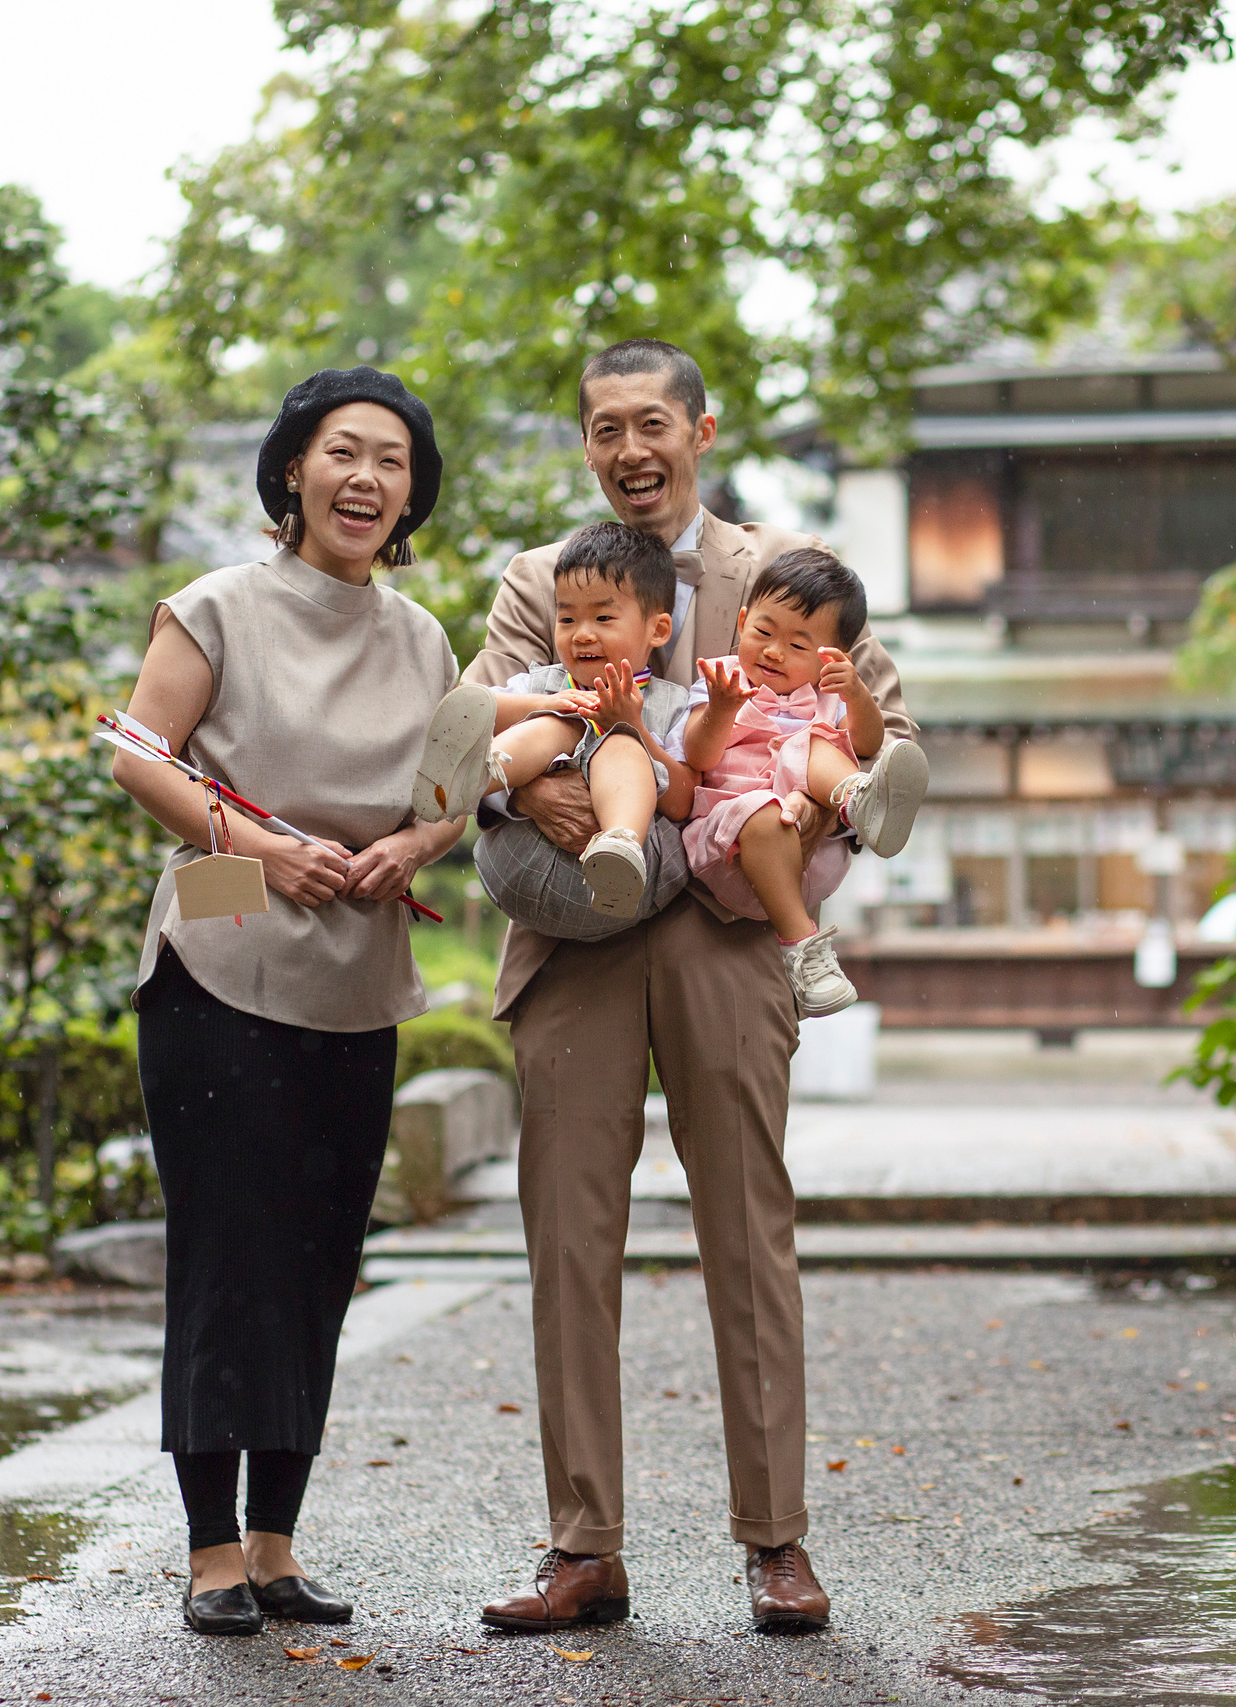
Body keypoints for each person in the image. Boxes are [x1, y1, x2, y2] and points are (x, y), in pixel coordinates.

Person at [462, 339, 913, 1636]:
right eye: (603, 427)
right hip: (576, 938)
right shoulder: (539, 578)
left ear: (702, 432)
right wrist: (535, 784)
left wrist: (810, 812)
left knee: (749, 1234)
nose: (628, 448)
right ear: (587, 444)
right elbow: (491, 733)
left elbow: (884, 731)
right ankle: (581, 1545)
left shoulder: (779, 571)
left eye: (651, 421)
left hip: (726, 935)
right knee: (567, 1245)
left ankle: (777, 1538)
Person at [109, 367, 463, 1637]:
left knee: (319, 1259)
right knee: (227, 1251)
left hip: (355, 961)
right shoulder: (214, 607)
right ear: (293, 473)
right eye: (342, 453)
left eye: (392, 462)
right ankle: (209, 1552)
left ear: (411, 495)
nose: (366, 479)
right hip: (217, 926)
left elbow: (453, 796)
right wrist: (259, 853)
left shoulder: (424, 639)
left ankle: (275, 1546)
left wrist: (414, 851)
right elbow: (135, 755)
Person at [679, 547, 928, 1016]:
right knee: (774, 794)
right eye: (763, 632)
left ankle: (861, 802)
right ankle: (804, 950)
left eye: (798, 646)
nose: (774, 652)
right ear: (742, 620)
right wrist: (721, 709)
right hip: (731, 854)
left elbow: (869, 740)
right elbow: (698, 755)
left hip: (815, 855)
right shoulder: (721, 680)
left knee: (817, 743)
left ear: (830, 657)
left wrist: (855, 693)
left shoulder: (825, 698)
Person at [412, 521, 696, 925]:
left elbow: (684, 801)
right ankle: (468, 778)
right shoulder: (542, 682)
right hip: (517, 868)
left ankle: (620, 842)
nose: (582, 635)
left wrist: (635, 728)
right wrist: (549, 704)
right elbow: (478, 705)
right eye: (567, 620)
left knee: (620, 743)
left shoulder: (673, 705)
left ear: (658, 629)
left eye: (602, 618)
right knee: (555, 720)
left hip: (617, 890)